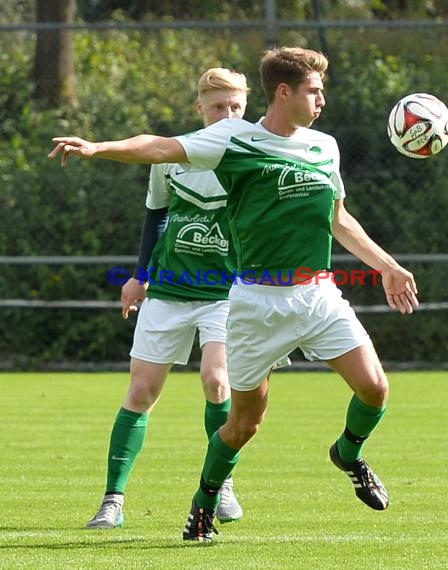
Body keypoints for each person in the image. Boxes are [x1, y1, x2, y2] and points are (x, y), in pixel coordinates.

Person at [49, 46, 419, 542]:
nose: (322, 99)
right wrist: (99, 148)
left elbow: (339, 219)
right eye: (314, 90)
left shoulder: (324, 146)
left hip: (318, 296)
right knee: (245, 422)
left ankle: (348, 453)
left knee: (375, 389)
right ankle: (204, 502)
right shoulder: (233, 140)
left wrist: (387, 266)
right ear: (284, 92)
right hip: (255, 305)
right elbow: (159, 146)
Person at [85, 67, 250, 529]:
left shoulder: (256, 153)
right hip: (170, 291)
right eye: (219, 106)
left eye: (236, 106)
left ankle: (221, 487)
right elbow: (156, 216)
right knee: (141, 392)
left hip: (226, 294)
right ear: (199, 108)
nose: (228, 114)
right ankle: (112, 501)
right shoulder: (173, 156)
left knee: (217, 381)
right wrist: (139, 277)